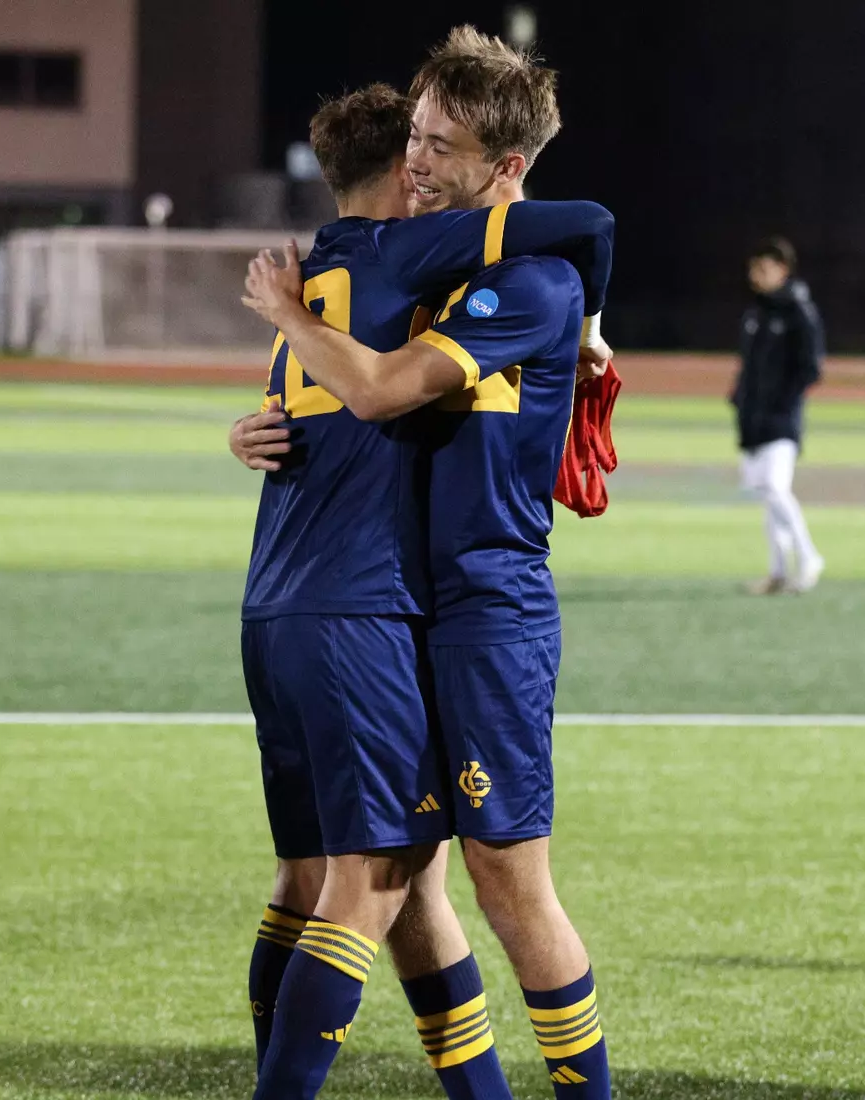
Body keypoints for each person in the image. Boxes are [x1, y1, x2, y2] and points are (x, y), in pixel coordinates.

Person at [241, 27, 615, 1100]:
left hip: (485, 607)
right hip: (393, 606)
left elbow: (386, 388)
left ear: (504, 170)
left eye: (439, 144)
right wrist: (253, 426)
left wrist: (588, 317)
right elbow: (340, 399)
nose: (414, 157)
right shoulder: (413, 261)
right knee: (399, 878)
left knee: (507, 880)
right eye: (411, 133)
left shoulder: (527, 283)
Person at [733, 236, 825, 595]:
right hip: (753, 418)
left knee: (774, 489)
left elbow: (811, 368)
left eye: (764, 268)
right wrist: (740, 400)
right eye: (753, 268)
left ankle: (809, 556)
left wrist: (782, 401)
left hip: (781, 418)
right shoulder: (756, 311)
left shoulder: (798, 312)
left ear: (783, 270)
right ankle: (777, 571)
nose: (756, 275)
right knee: (767, 494)